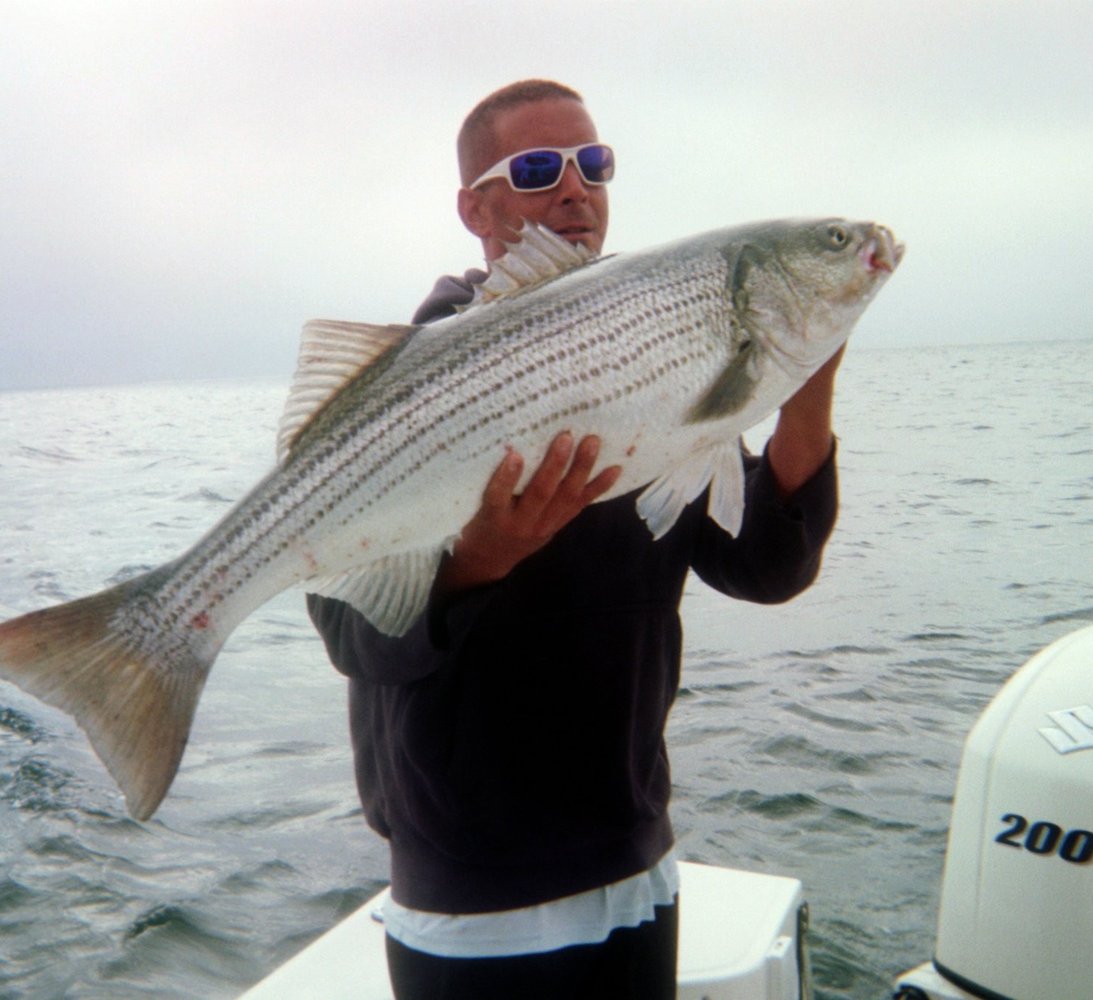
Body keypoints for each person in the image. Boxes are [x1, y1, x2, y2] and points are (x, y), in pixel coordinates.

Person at [307, 79, 841, 1000]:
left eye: (594, 165)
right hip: (470, 885)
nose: (574, 189)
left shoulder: (662, 348)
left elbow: (763, 564)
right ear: (475, 207)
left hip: (633, 855)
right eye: (538, 168)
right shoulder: (405, 387)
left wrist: (805, 373)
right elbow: (352, 635)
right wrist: (476, 562)